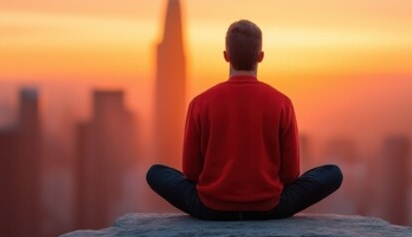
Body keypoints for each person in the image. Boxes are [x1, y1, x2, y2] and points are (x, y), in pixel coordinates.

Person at [146, 19, 343, 221]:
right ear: (261, 56)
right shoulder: (282, 103)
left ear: (226, 56)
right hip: (269, 208)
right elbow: (291, 175)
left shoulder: (199, 103)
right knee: (333, 173)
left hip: (211, 208)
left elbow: (191, 172)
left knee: (155, 173)